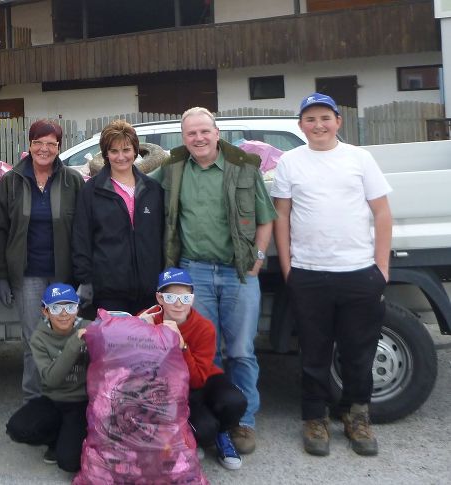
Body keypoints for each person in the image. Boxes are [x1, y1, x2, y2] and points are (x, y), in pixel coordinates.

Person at [271, 93, 392, 457]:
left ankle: (357, 418)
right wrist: (289, 267)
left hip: (359, 272)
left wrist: (381, 268)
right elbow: (282, 216)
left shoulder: (360, 158)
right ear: (300, 126)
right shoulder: (290, 162)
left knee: (358, 353)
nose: (318, 125)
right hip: (309, 274)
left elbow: (382, 213)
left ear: (338, 121)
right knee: (314, 353)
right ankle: (315, 418)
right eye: (310, 119)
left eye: (325, 117)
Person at [150, 107, 276, 454]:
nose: (199, 138)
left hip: (239, 273)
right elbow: (140, 189)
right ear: (183, 138)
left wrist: (258, 259)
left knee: (240, 351)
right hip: (194, 275)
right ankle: (214, 419)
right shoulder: (173, 172)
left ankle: (244, 422)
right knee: (205, 351)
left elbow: (266, 219)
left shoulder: (243, 170)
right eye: (191, 134)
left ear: (217, 133)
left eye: (205, 131)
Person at [0, 119, 85, 402]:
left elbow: (82, 230)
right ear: (29, 145)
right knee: (34, 341)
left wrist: (84, 277)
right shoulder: (12, 181)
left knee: (66, 340)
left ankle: (66, 399)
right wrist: (2, 277)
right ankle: (35, 400)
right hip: (28, 274)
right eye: (38, 143)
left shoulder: (72, 181)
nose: (44, 149)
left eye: (51, 144)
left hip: (62, 275)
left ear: (59, 147)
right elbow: (0, 230)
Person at [138, 268, 248, 470]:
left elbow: (198, 380)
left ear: (192, 298)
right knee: (205, 430)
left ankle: (223, 434)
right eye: (170, 297)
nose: (179, 303)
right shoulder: (148, 319)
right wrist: (140, 329)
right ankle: (197, 435)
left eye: (185, 297)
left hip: (200, 378)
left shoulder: (204, 327)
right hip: (169, 388)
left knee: (235, 401)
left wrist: (182, 346)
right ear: (159, 298)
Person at [72, 119, 165, 317]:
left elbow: (163, 236)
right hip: (109, 291)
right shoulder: (91, 191)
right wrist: (85, 279)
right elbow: (81, 238)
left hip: (149, 290)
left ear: (135, 151)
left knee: (148, 346)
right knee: (116, 347)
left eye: (126, 150)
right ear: (106, 154)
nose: (121, 157)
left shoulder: (153, 189)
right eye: (114, 151)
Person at [6, 283, 88, 473]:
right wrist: (74, 344)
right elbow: (51, 379)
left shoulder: (89, 328)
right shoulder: (39, 337)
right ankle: (56, 437)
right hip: (53, 399)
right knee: (17, 428)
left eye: (70, 307)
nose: (64, 313)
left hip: (81, 402)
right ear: (45, 311)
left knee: (69, 463)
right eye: (56, 308)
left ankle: (76, 436)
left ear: (77, 308)